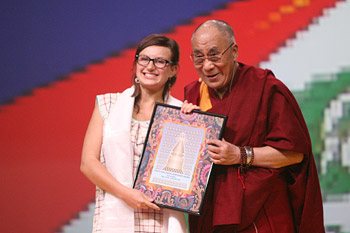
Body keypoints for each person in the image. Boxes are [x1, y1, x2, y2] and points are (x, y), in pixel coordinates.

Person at [181, 20, 325, 233]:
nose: (207, 66)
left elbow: (295, 154)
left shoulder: (265, 87)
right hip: (212, 215)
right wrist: (183, 126)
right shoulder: (193, 95)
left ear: (234, 51)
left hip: (264, 213)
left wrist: (240, 155)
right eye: (199, 58)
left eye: (214, 55)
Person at [80, 34, 188, 233]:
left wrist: (193, 122)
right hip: (115, 212)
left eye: (160, 61)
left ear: (173, 70)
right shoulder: (108, 104)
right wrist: (126, 195)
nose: (150, 67)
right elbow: (88, 163)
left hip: (161, 218)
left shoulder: (180, 113)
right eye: (144, 59)